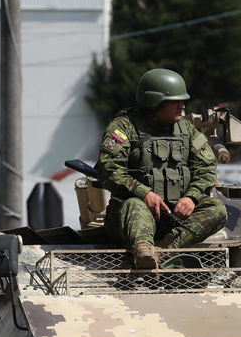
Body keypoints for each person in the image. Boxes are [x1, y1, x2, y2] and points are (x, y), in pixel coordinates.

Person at [97, 68, 227, 268]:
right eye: (176, 101)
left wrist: (191, 197)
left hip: (174, 218)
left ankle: (167, 250)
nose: (182, 106)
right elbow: (109, 169)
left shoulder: (187, 130)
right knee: (134, 205)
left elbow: (206, 167)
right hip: (132, 218)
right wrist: (144, 193)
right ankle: (143, 252)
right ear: (155, 103)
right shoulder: (124, 127)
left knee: (217, 209)